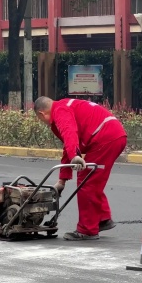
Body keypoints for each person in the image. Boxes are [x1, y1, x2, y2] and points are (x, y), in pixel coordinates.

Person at [34, 96, 127, 241]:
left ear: (41, 113)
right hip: (111, 134)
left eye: (41, 120)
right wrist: (62, 181)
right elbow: (68, 144)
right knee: (93, 179)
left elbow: (69, 132)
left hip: (106, 137)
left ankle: (87, 230)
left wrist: (74, 156)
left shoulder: (59, 111)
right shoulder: (63, 105)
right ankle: (102, 219)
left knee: (87, 182)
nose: (44, 123)